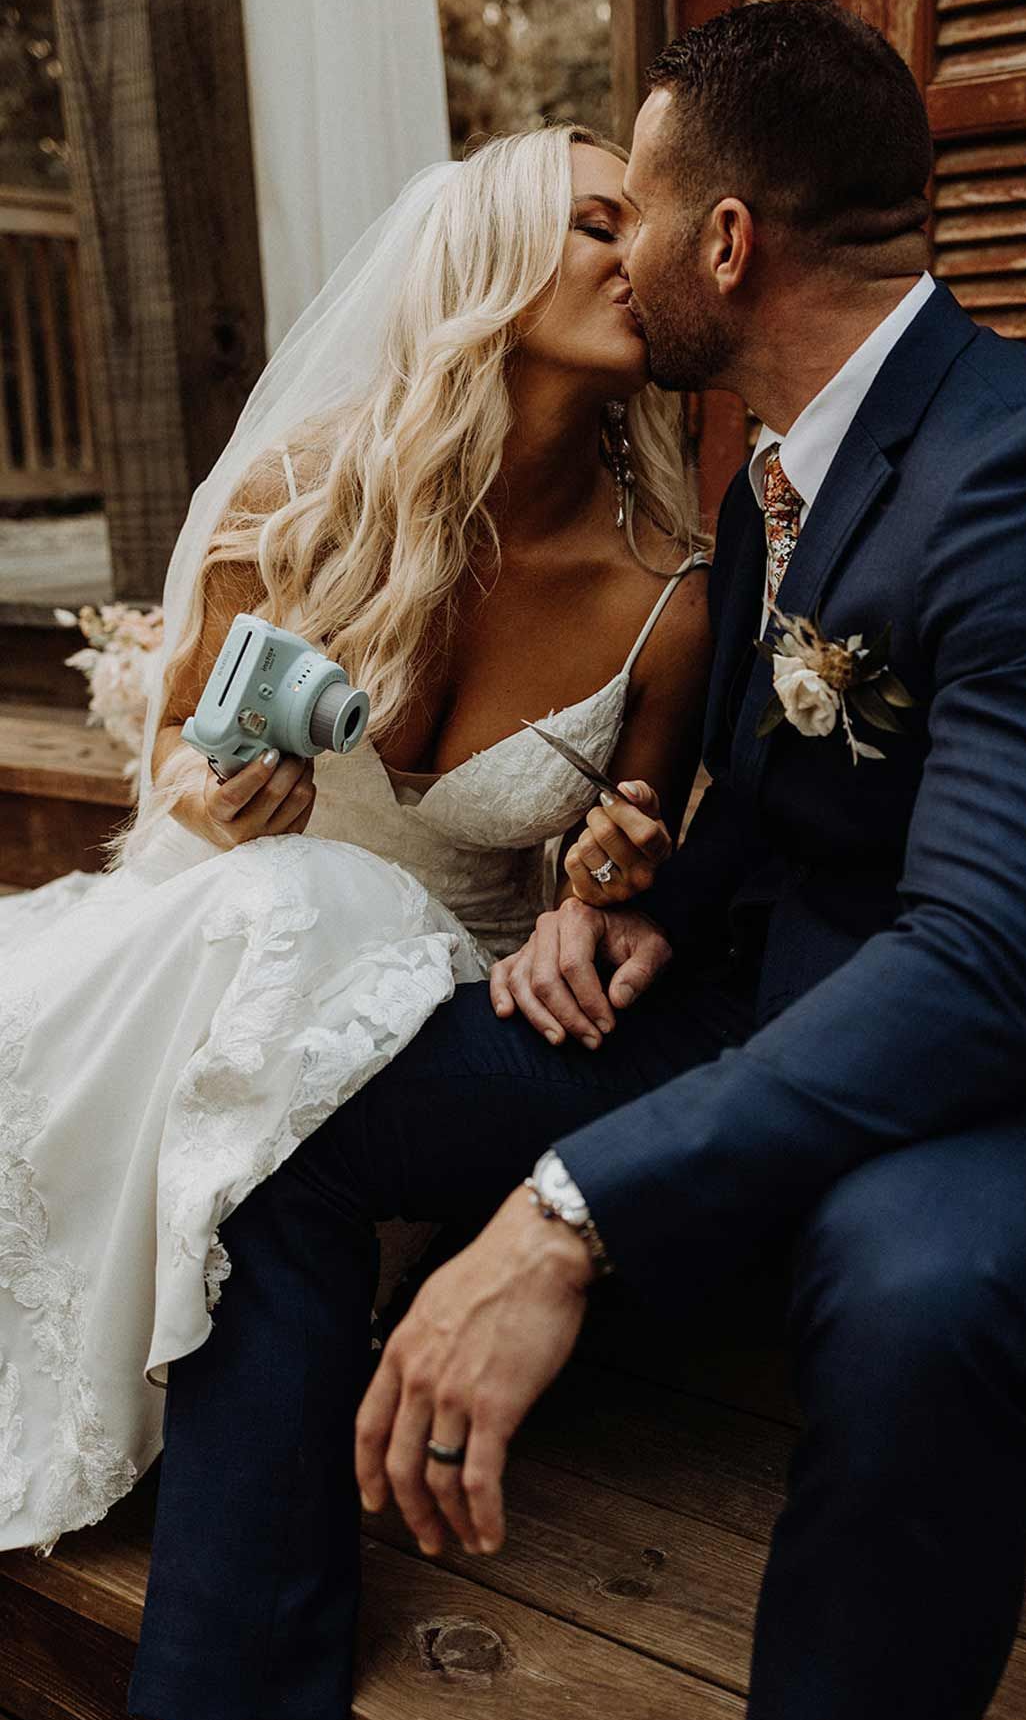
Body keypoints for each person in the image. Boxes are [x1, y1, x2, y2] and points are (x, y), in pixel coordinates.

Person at [129, 0, 1026, 1720]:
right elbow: (785, 812)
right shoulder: (777, 480)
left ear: (726, 242)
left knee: (914, 1299)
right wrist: (632, 908)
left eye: (634, 213)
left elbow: (997, 962)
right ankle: (230, 1690)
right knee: (294, 1119)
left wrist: (571, 1208)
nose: (618, 254)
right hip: (759, 1002)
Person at [0, 123, 712, 1560]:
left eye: (644, 227)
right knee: (281, 896)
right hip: (231, 949)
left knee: (316, 916)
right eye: (597, 224)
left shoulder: (667, 599)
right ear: (491, 261)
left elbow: (621, 872)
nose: (638, 256)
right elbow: (183, 747)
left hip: (436, 1018)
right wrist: (211, 800)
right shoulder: (302, 501)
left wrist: (606, 879)